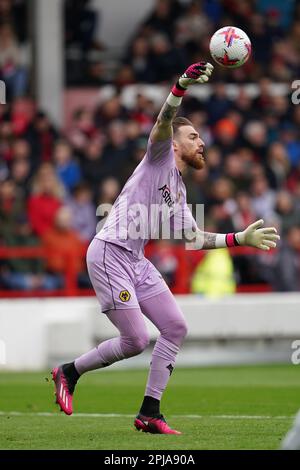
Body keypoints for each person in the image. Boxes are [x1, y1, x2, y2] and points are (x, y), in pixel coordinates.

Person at [51, 62, 280, 434]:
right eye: (193, 138)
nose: (201, 142)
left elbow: (193, 239)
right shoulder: (157, 158)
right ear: (173, 144)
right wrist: (181, 85)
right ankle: (69, 371)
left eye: (200, 138)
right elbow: (161, 124)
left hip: (135, 260)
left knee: (175, 327)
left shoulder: (178, 190)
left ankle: (149, 413)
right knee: (137, 339)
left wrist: (239, 238)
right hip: (110, 252)